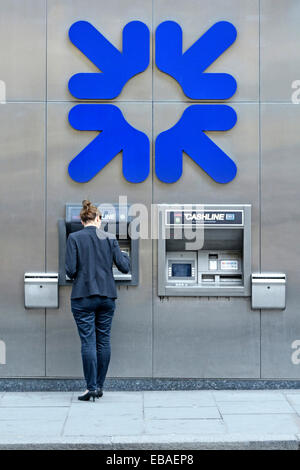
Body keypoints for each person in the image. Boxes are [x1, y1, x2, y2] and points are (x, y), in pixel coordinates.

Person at [65, 200, 130, 402]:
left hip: (82, 296)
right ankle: (99, 386)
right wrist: (124, 256)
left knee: (88, 342)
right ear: (98, 218)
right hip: (106, 297)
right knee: (103, 341)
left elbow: (70, 270)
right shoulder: (110, 238)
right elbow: (124, 267)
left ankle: (90, 387)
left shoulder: (74, 237)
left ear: (82, 220)